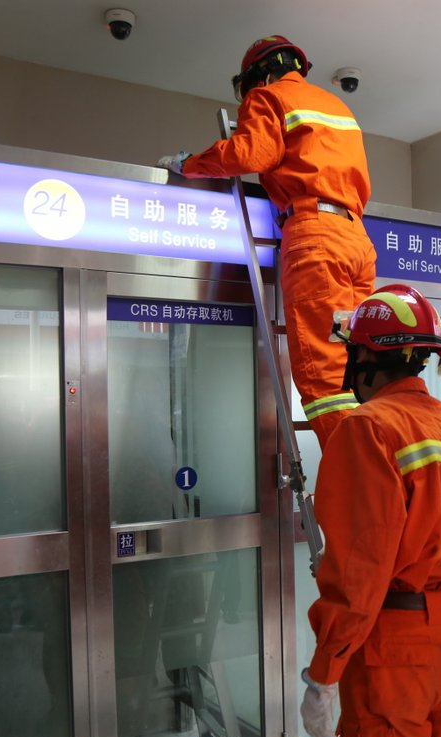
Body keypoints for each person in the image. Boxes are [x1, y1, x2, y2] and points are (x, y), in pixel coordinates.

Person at [301, 284, 441, 737]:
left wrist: (325, 672)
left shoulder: (368, 429)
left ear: (365, 357)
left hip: (395, 649)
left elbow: (361, 570)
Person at [158, 35, 376, 449]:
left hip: (315, 235)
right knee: (359, 365)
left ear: (258, 75)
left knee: (324, 379)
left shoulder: (270, 98)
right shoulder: (338, 108)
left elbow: (249, 154)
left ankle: (361, 478)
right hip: (356, 239)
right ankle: (379, 463)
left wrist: (188, 165)